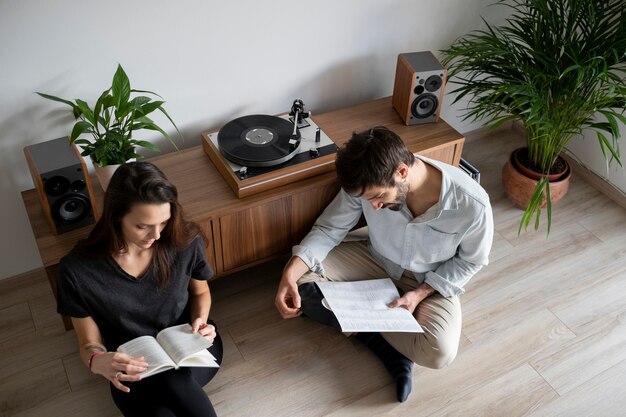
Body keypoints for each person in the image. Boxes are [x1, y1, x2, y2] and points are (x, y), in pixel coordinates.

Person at [275, 126, 493, 402]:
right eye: (369, 200)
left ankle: (364, 321)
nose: (373, 208)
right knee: (302, 286)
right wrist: (288, 274)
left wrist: (420, 293)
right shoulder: (367, 180)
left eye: (378, 197)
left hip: (428, 280)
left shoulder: (472, 205)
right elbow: (330, 228)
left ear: (402, 172)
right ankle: (386, 347)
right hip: (374, 260)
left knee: (439, 352)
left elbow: (471, 261)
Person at [57, 161, 223, 417]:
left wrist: (200, 322)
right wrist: (97, 361)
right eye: (142, 226)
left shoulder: (184, 241)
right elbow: (88, 342)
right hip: (130, 363)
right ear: (116, 217)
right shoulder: (77, 271)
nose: (156, 235)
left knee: (173, 381)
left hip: (191, 348)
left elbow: (200, 292)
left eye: (164, 222)